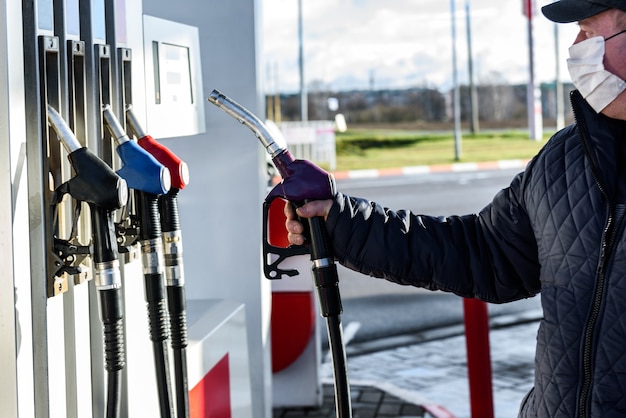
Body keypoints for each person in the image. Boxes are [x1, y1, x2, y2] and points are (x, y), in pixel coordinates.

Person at [283, 1, 626, 416]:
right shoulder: (565, 156)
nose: (576, 46)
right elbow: (485, 251)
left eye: (590, 34)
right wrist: (340, 221)